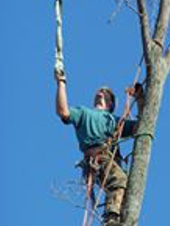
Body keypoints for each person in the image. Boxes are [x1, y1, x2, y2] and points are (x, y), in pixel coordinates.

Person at [55, 70, 145, 226]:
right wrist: (61, 83)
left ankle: (120, 218)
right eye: (99, 92)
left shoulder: (114, 121)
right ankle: (110, 219)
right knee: (119, 180)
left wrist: (139, 99)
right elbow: (63, 111)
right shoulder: (84, 112)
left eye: (105, 93)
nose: (101, 93)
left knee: (127, 189)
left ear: (111, 104)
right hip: (97, 157)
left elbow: (141, 126)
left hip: (110, 159)